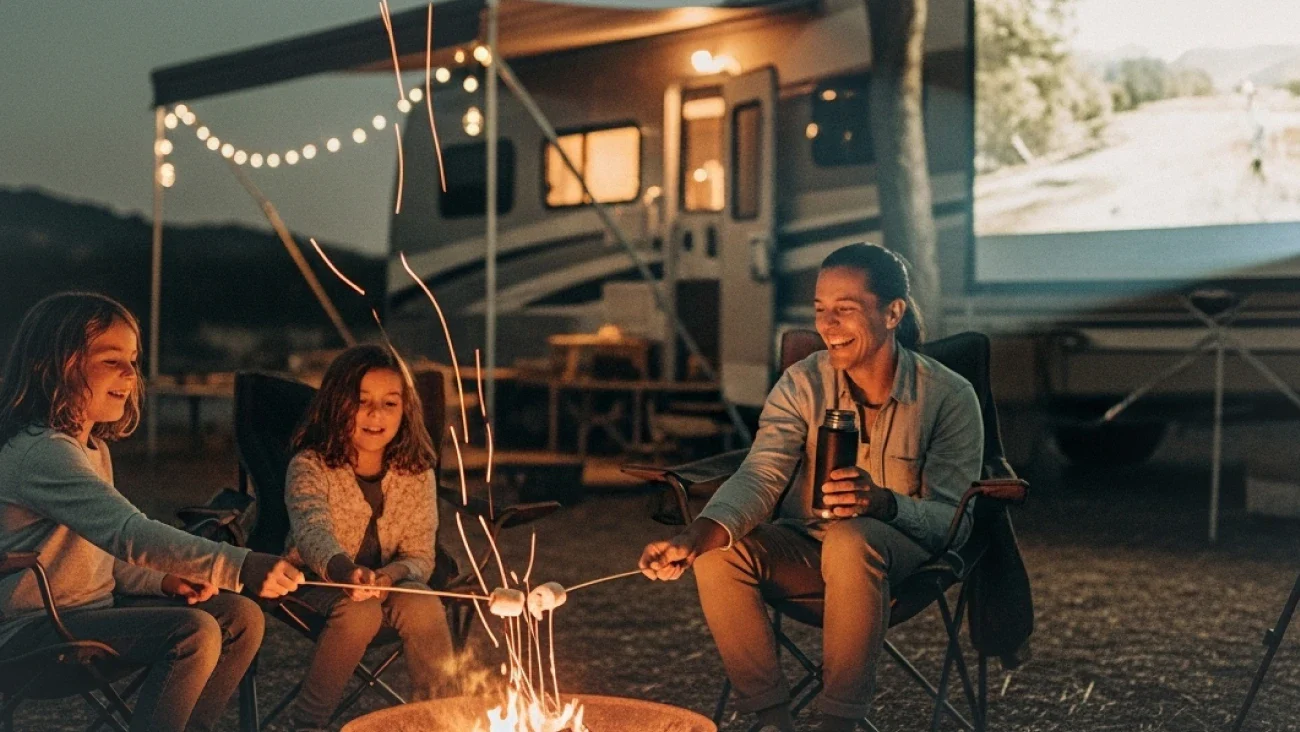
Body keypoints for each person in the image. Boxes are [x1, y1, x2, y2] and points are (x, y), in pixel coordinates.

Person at [639, 243, 983, 732]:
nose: (827, 325)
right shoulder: (802, 385)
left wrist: (883, 503)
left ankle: (837, 722)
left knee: (851, 538)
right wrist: (695, 536)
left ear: (892, 313)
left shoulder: (947, 396)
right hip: (807, 549)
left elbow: (953, 519)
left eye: (845, 310)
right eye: (821, 310)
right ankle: (774, 720)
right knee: (721, 551)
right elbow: (761, 473)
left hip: (902, 555)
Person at [0, 292, 303, 732]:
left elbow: (105, 557)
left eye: (133, 360)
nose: (129, 373)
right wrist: (239, 564)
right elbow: (130, 534)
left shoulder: (91, 449)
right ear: (58, 366)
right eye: (111, 360)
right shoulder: (40, 452)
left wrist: (163, 579)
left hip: (87, 613)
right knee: (193, 633)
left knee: (240, 617)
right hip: (28, 633)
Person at [282, 345, 452, 732]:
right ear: (337, 406)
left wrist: (390, 576)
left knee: (422, 602)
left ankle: (444, 720)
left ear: (404, 410)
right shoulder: (310, 466)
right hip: (318, 579)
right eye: (362, 402)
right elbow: (312, 533)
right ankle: (307, 724)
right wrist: (345, 571)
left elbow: (421, 555)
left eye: (389, 403)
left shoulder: (415, 471)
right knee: (360, 612)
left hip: (386, 581)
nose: (376, 414)